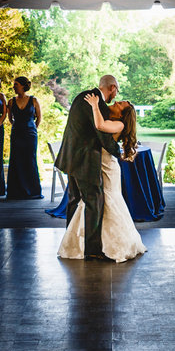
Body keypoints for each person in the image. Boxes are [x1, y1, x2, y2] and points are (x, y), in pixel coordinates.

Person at [58, 93, 146, 262]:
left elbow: (99, 125)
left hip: (108, 168)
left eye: (120, 104)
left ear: (122, 114)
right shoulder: (115, 121)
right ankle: (96, 243)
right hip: (101, 165)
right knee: (101, 201)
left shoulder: (118, 124)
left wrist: (94, 105)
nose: (116, 102)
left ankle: (110, 244)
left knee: (110, 200)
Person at [54, 75, 122, 260]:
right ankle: (92, 250)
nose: (115, 97)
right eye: (116, 91)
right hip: (84, 160)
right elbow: (102, 134)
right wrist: (119, 152)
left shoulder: (82, 96)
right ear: (112, 87)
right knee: (94, 200)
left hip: (71, 157)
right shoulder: (97, 101)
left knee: (74, 199)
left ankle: (71, 243)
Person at [6, 75, 44, 200]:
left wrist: (32, 128)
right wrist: (17, 126)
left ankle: (32, 191)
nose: (14, 87)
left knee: (30, 160)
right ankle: (16, 191)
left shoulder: (33, 100)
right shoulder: (11, 101)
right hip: (17, 133)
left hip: (30, 134)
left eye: (16, 84)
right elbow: (10, 118)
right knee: (16, 160)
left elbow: (39, 117)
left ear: (23, 86)